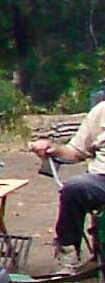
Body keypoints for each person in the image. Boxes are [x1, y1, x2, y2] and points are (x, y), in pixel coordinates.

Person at [31, 94, 105, 265]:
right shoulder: (101, 111)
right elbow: (76, 151)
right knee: (74, 187)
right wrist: (52, 149)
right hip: (101, 180)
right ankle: (68, 252)